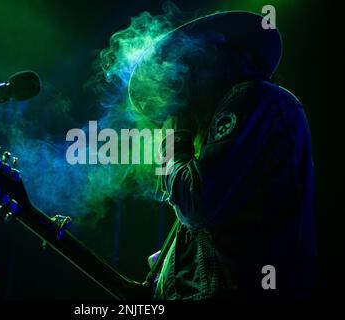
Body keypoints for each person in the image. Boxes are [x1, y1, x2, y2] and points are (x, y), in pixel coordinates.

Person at [131, 11, 317, 299]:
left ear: (214, 57)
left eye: (185, 72)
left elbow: (197, 202)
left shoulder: (251, 96)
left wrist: (175, 139)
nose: (179, 91)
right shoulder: (236, 129)